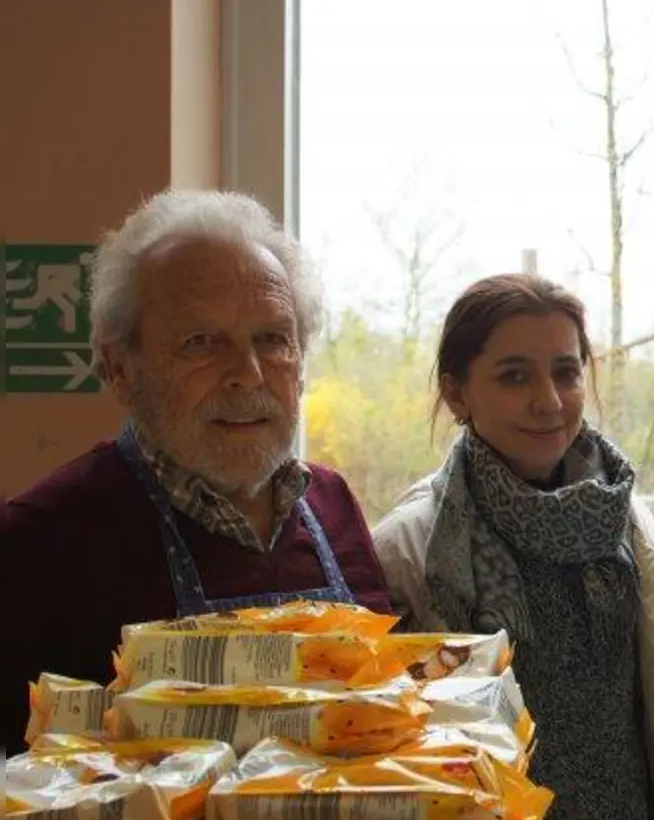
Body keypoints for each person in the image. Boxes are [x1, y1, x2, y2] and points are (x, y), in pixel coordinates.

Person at [0, 190, 390, 755]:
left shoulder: (332, 505)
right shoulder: (42, 536)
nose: (247, 374)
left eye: (273, 339)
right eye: (201, 343)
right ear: (118, 368)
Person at [371, 273, 654, 820]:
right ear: (456, 393)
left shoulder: (625, 521)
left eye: (566, 372)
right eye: (515, 377)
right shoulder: (412, 549)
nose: (550, 401)